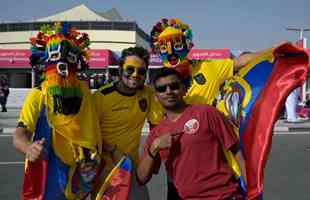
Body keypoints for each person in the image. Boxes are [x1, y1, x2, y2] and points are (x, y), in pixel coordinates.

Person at [150, 18, 273, 199]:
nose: (172, 52)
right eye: (164, 47)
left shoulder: (208, 68)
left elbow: (240, 62)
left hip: (213, 158)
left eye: (176, 44)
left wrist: (275, 51)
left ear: (187, 43)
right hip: (179, 169)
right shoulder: (160, 86)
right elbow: (155, 130)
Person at [13, 22, 102, 199]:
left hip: (80, 176)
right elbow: (19, 134)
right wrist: (29, 147)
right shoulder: (38, 94)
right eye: (55, 57)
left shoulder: (84, 93)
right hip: (48, 178)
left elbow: (93, 130)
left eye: (68, 58)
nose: (62, 66)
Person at [137, 68, 246, 200]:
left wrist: (253, 191)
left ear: (183, 89)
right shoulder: (156, 133)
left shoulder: (206, 113)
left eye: (174, 86)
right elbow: (142, 178)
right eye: (161, 89)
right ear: (156, 96)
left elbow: (238, 152)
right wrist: (154, 148)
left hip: (224, 195)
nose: (168, 91)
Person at [93, 46, 161, 199]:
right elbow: (88, 133)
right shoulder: (101, 96)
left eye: (141, 71)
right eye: (130, 69)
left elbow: (156, 127)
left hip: (133, 170)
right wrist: (110, 149)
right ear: (120, 69)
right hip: (105, 172)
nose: (135, 75)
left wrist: (153, 159)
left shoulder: (149, 94)